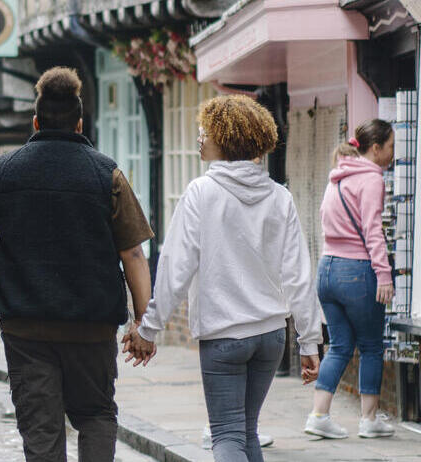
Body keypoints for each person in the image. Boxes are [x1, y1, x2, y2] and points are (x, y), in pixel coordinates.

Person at [127, 95, 323, 462]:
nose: (200, 137)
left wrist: (149, 327)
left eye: (207, 131)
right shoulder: (280, 197)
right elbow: (298, 274)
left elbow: (175, 268)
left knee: (228, 436)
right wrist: (309, 341)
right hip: (270, 336)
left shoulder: (201, 193)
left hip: (224, 336)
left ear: (227, 138)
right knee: (246, 432)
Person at [0, 67, 154, 462]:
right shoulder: (106, 173)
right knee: (95, 415)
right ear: (79, 123)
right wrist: (143, 321)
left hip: (26, 328)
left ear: (36, 121)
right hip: (91, 328)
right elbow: (133, 254)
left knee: (41, 429)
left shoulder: (6, 170)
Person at [304, 119, 396, 440]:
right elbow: (372, 231)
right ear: (375, 148)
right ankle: (369, 420)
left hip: (327, 269)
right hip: (357, 272)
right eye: (391, 147)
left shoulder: (337, 178)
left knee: (339, 346)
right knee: (371, 346)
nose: (392, 153)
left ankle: (319, 414)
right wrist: (383, 275)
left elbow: (324, 219)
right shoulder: (371, 180)